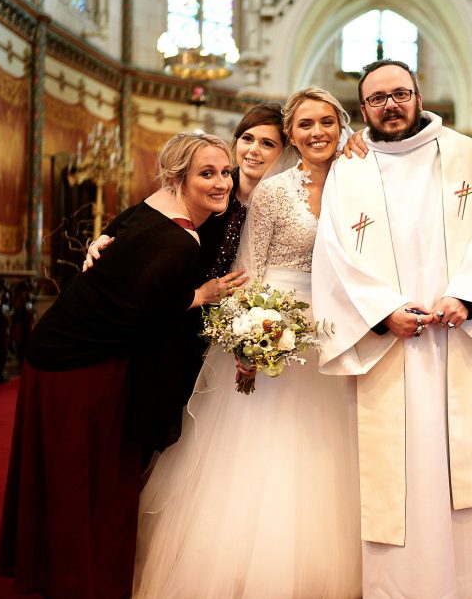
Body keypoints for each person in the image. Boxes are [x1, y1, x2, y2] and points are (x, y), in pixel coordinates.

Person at [133, 87, 361, 598]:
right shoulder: (274, 192)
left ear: (342, 125)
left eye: (327, 122)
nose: (317, 133)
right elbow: (251, 266)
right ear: (291, 137)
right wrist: (251, 339)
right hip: (272, 324)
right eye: (304, 125)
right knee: (261, 453)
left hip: (332, 333)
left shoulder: (359, 180)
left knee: (327, 455)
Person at [313, 59, 472, 599]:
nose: (390, 104)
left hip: (456, 335)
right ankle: (401, 587)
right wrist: (383, 311)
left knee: (466, 461)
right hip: (392, 344)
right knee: (397, 470)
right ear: (362, 108)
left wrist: (465, 294)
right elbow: (334, 251)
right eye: (377, 98)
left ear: (418, 94)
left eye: (400, 93)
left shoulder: (462, 152)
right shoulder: (349, 167)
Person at [0, 132, 237, 598]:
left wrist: (102, 238)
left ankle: (57, 569)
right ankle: (80, 580)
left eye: (225, 172)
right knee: (89, 480)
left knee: (69, 477)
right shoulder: (181, 241)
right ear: (176, 177)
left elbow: (121, 242)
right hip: (79, 363)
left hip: (57, 352)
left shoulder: (151, 207)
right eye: (207, 173)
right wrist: (198, 296)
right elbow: (140, 312)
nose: (221, 182)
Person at [84, 105, 289, 455]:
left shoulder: (285, 199)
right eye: (247, 138)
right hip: (175, 313)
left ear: (284, 151)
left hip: (234, 324)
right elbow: (147, 214)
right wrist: (102, 240)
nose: (254, 149)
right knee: (158, 411)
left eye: (267, 143)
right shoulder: (212, 181)